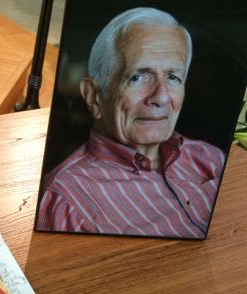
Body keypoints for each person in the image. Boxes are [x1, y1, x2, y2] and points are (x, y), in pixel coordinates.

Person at [36, 7, 226, 238]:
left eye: (173, 77)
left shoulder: (210, 157)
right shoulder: (66, 200)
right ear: (94, 96)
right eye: (137, 77)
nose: (161, 97)